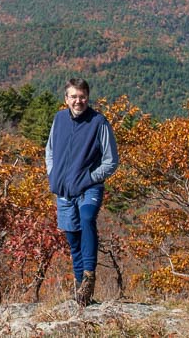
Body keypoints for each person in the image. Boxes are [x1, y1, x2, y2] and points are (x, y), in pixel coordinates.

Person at [45, 78, 119, 306]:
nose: (78, 101)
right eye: (74, 96)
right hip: (64, 191)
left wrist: (89, 178)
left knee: (87, 218)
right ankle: (82, 293)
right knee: (73, 240)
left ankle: (89, 274)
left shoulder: (99, 122)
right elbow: (49, 151)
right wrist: (53, 175)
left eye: (82, 96)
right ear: (66, 98)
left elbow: (111, 161)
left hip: (88, 187)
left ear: (88, 97)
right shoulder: (59, 119)